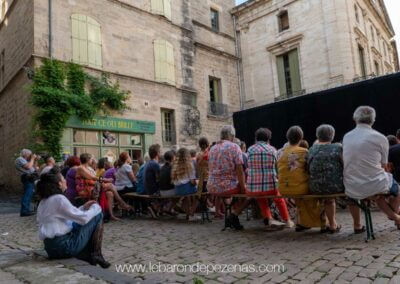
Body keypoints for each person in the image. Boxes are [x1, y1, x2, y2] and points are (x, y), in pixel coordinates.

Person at [36, 167, 110, 268]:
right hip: (64, 247)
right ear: (59, 184)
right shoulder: (59, 199)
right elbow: (83, 219)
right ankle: (96, 254)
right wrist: (96, 207)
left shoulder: (44, 201)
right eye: (63, 179)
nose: (66, 181)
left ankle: (89, 254)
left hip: (50, 248)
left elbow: (69, 217)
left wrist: (84, 207)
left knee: (80, 221)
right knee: (97, 215)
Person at [343, 106, 400, 231]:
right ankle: (396, 216)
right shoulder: (380, 138)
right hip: (374, 183)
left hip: (351, 186)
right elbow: (384, 165)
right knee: (396, 189)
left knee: (377, 195)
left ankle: (358, 225)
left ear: (355, 119)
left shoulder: (346, 137)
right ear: (373, 120)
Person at [278, 126, 325, 232]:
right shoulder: (304, 151)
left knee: (301, 193)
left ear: (287, 138)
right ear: (301, 138)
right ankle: (323, 223)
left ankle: (302, 222)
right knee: (317, 192)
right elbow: (310, 169)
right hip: (299, 188)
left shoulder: (280, 152)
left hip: (282, 188)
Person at [246, 128, 293, 229]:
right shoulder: (272, 150)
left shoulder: (250, 150)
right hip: (271, 188)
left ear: (256, 138)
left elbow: (247, 166)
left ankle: (269, 218)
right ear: (268, 139)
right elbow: (278, 169)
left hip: (253, 189)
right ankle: (287, 220)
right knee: (278, 198)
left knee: (260, 196)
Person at [208, 125, 247, 230]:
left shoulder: (212, 148)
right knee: (251, 193)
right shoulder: (234, 147)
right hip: (227, 187)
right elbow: (240, 170)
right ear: (233, 136)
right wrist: (243, 188)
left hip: (212, 187)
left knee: (237, 191)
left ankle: (232, 216)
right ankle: (234, 215)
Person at [308, 125, 344, 234]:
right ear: (332, 136)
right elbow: (345, 165)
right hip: (334, 185)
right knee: (329, 198)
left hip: (314, 187)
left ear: (317, 136)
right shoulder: (338, 148)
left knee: (326, 197)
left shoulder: (311, 149)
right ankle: (332, 224)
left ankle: (329, 224)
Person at [76, 153, 131, 221]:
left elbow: (96, 179)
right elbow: (93, 178)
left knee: (110, 193)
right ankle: (122, 203)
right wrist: (106, 180)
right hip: (85, 190)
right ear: (88, 160)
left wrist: (104, 181)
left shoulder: (88, 168)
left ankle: (111, 215)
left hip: (93, 187)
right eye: (91, 159)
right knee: (111, 185)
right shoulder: (80, 168)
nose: (92, 161)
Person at [172, 148, 199, 220]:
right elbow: (192, 181)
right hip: (185, 188)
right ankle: (191, 213)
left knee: (186, 197)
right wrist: (197, 183)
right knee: (199, 195)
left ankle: (188, 213)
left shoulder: (175, 165)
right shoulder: (189, 165)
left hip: (177, 189)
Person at [15, 149, 39, 217]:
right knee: (27, 194)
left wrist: (35, 160)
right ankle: (24, 211)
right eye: (30, 154)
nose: (30, 156)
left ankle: (26, 210)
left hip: (30, 177)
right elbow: (28, 167)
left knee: (29, 194)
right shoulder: (20, 159)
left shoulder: (26, 161)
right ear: (25, 154)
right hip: (27, 177)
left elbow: (35, 168)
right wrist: (32, 158)